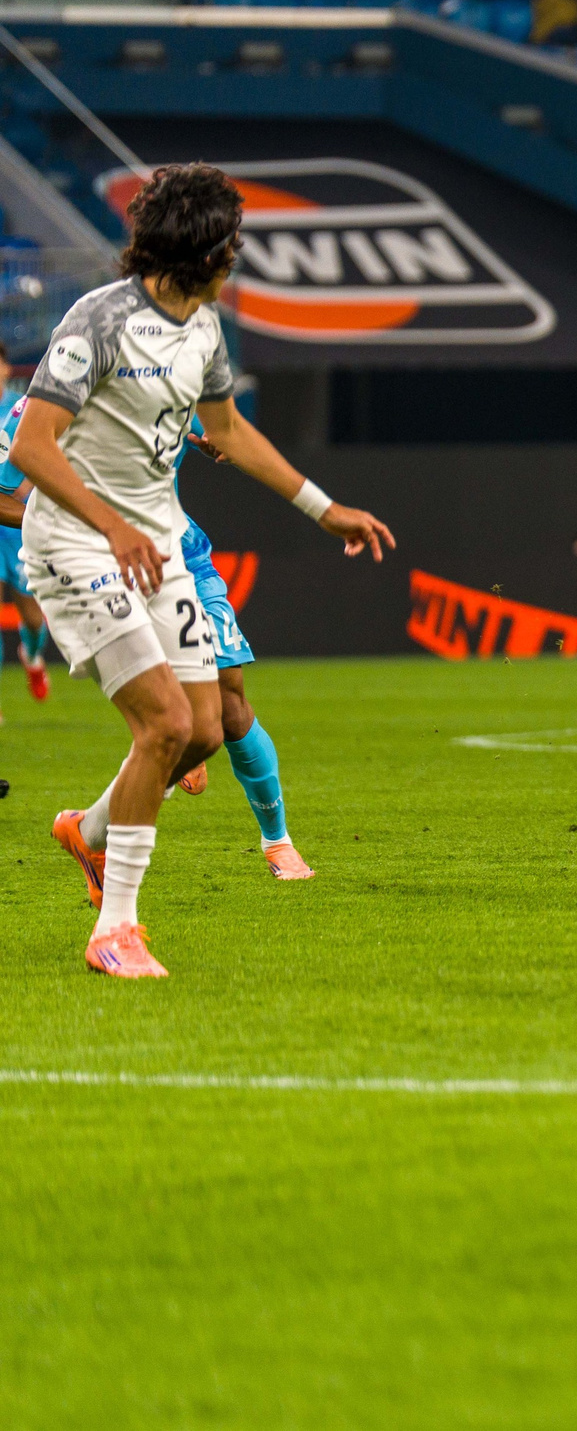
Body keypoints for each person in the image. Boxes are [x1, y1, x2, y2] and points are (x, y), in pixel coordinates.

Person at [15, 164, 394, 979]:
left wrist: (324, 507)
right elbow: (32, 446)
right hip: (78, 543)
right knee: (161, 724)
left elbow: (229, 430)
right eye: (231, 240)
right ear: (202, 247)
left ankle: (87, 831)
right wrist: (112, 525)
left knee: (204, 729)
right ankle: (115, 930)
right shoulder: (98, 320)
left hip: (156, 546)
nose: (237, 253)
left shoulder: (204, 327)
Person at [168, 425, 311, 878]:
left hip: (187, 562)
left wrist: (213, 437)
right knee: (161, 715)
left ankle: (278, 842)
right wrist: (61, 511)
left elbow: (219, 426)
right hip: (114, 571)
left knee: (231, 706)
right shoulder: (48, 406)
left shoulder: (167, 389)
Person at [0, 383, 56, 709]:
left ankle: (32, 655)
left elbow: (43, 445)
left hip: (18, 525)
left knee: (33, 619)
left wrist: (28, 481)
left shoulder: (21, 404)